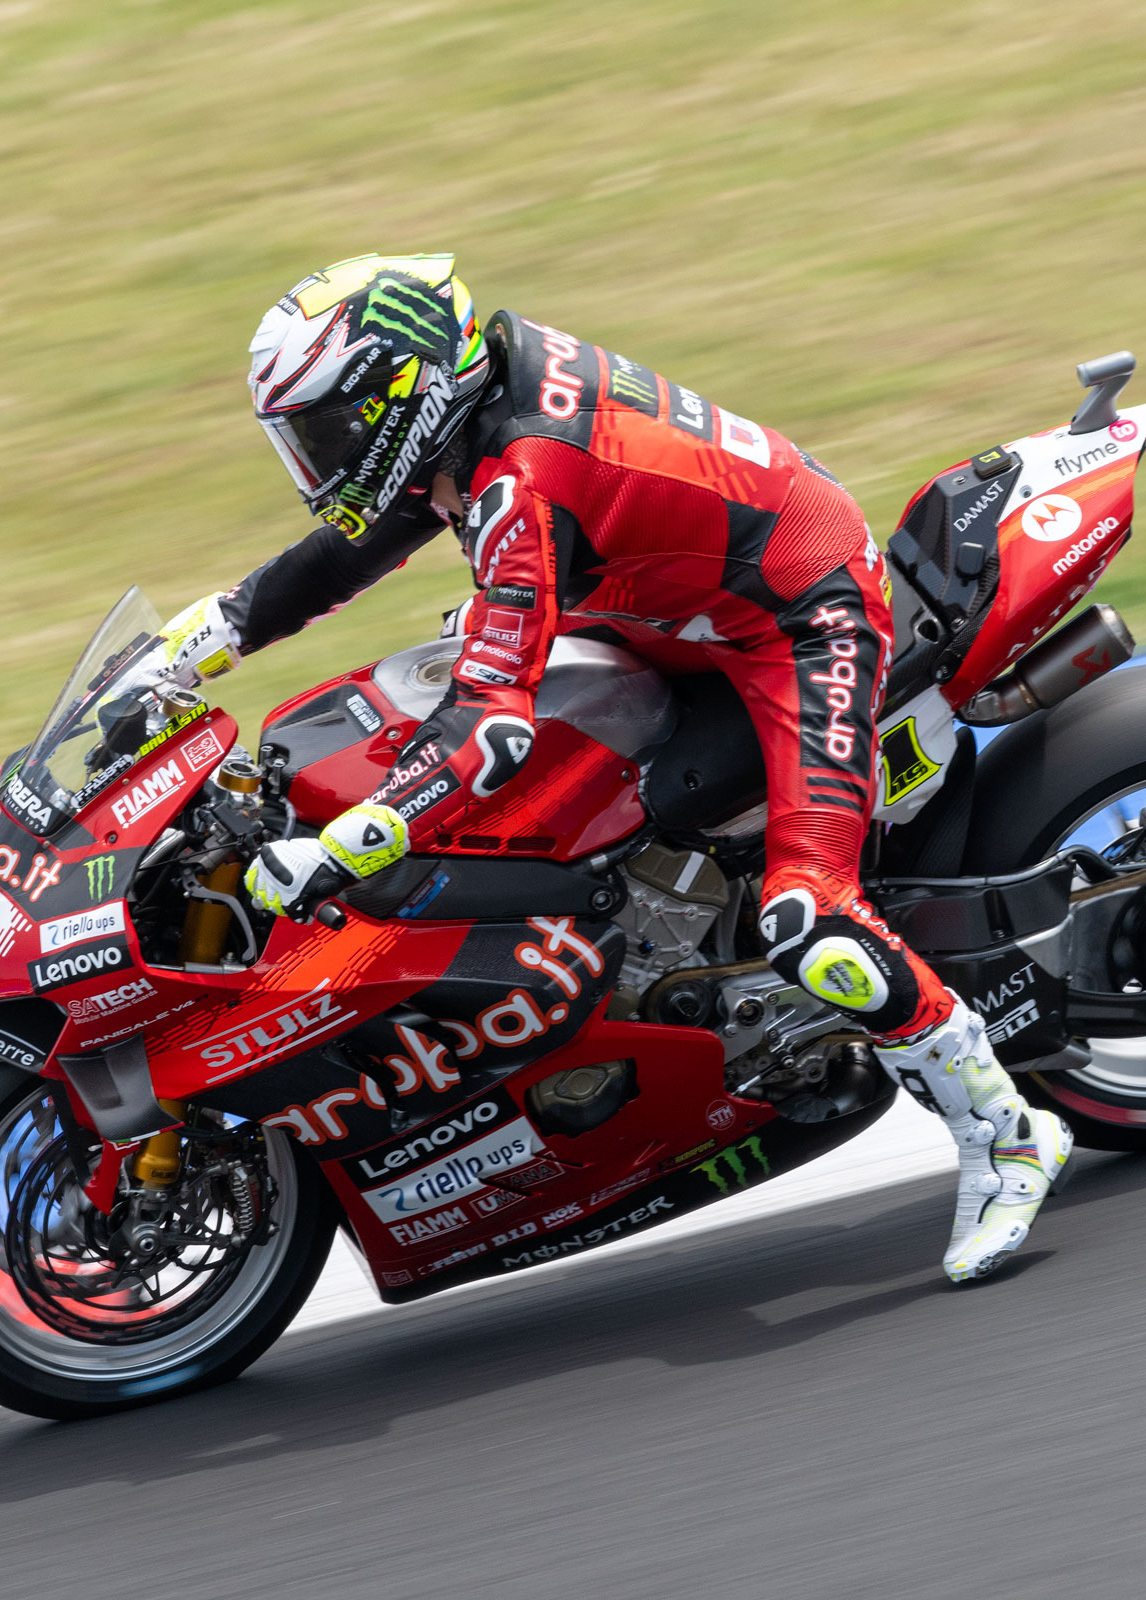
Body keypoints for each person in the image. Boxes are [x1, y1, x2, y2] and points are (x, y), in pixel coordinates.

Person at [152, 254, 1070, 1283]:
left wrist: (350, 841)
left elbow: (486, 730)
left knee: (809, 918)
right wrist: (196, 643)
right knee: (488, 692)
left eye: (325, 430)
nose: (316, 459)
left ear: (398, 394)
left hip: (799, 617)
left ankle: (1006, 1131)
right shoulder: (473, 414)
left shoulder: (523, 474)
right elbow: (353, 552)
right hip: (673, 595)